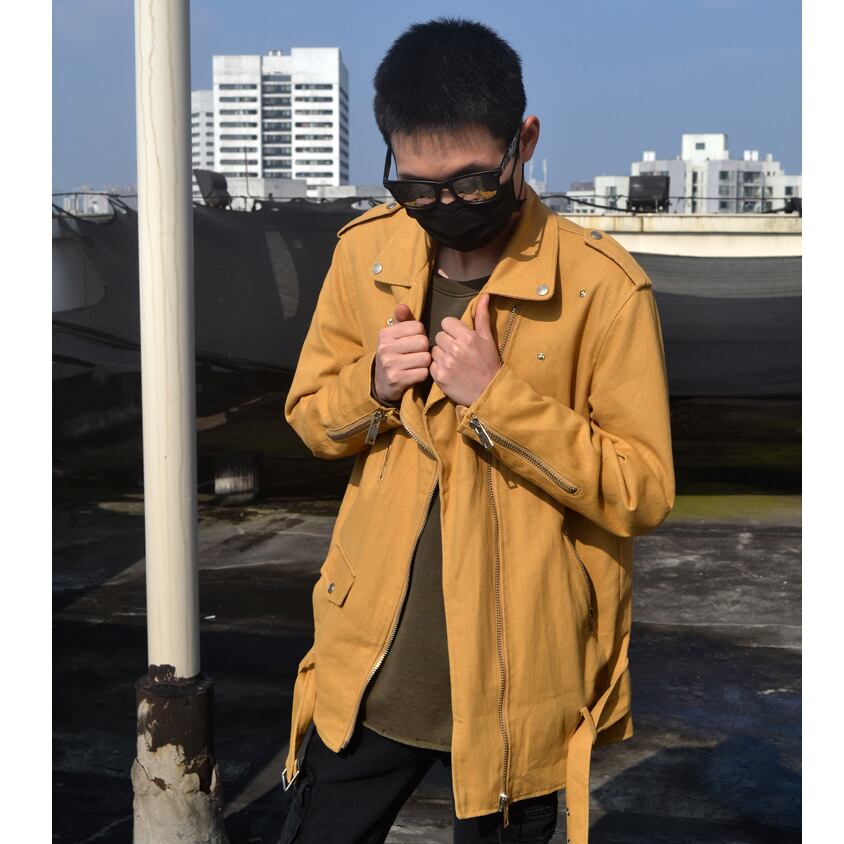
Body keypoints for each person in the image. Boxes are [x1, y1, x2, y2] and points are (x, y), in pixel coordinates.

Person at [279, 16, 674, 844]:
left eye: (467, 183)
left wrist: (499, 400)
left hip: (520, 684)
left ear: (522, 143)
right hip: (367, 668)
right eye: (417, 190)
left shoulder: (603, 288)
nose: (443, 207)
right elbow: (311, 418)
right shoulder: (365, 255)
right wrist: (374, 385)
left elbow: (642, 490)